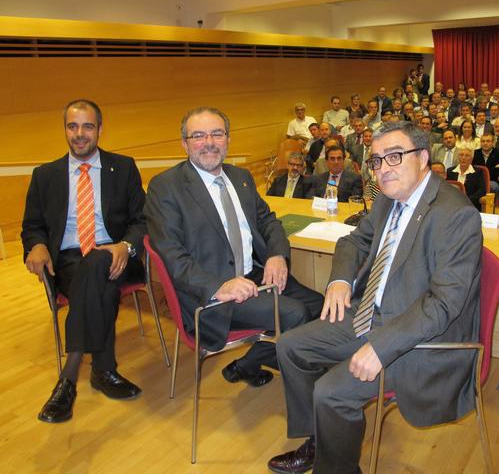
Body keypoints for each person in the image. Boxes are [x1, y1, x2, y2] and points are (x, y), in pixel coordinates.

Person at [268, 121, 482, 474]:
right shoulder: (388, 197)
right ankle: (321, 441)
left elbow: (444, 303)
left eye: (394, 156)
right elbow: (353, 241)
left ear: (423, 158)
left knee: (331, 392)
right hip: (372, 311)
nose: (383, 168)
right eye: (377, 160)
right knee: (290, 346)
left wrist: (382, 346)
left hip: (418, 336)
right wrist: (340, 279)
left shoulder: (456, 215)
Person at [145, 107, 323, 388]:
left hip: (255, 275)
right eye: (198, 136)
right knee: (295, 314)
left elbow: (268, 221)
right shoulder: (166, 187)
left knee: (320, 306)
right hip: (213, 295)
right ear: (185, 144)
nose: (209, 142)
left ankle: (251, 362)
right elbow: (172, 256)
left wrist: (277, 254)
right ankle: (307, 387)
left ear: (228, 139)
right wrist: (219, 286)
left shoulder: (240, 177)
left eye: (217, 134)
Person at [22, 99, 146, 423]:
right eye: (73, 126)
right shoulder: (45, 175)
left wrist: (126, 246)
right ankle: (103, 371)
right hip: (68, 260)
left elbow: (142, 220)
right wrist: (36, 246)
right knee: (100, 284)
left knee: (99, 264)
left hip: (116, 254)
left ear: (100, 129)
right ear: (65, 129)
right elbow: (32, 226)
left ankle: (68, 379)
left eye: (87, 126)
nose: (80, 134)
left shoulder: (124, 167)